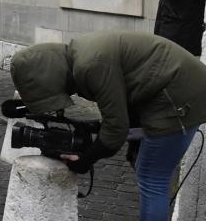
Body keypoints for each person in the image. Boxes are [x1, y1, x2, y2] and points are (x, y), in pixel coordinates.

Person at [10, 32, 206, 221]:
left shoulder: (90, 66)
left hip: (180, 98)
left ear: (48, 78)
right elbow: (126, 98)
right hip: (172, 91)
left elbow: (116, 130)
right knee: (147, 171)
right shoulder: (80, 55)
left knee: (152, 178)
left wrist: (86, 160)